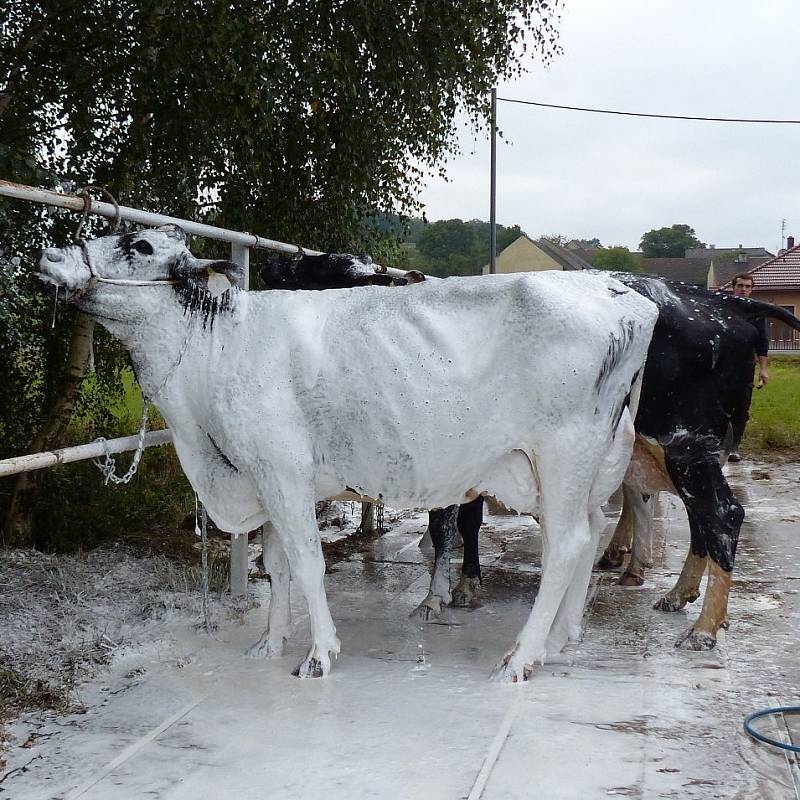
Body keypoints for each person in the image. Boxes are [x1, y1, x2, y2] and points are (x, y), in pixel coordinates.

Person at [728, 272, 769, 462]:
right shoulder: (723, 307)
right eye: (740, 286)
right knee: (717, 405)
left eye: (747, 286)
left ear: (752, 289)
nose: (743, 289)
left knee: (742, 406)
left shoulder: (758, 313)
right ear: (733, 287)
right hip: (720, 366)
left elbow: (762, 342)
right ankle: (716, 443)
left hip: (745, 366)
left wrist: (763, 369)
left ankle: (734, 446)